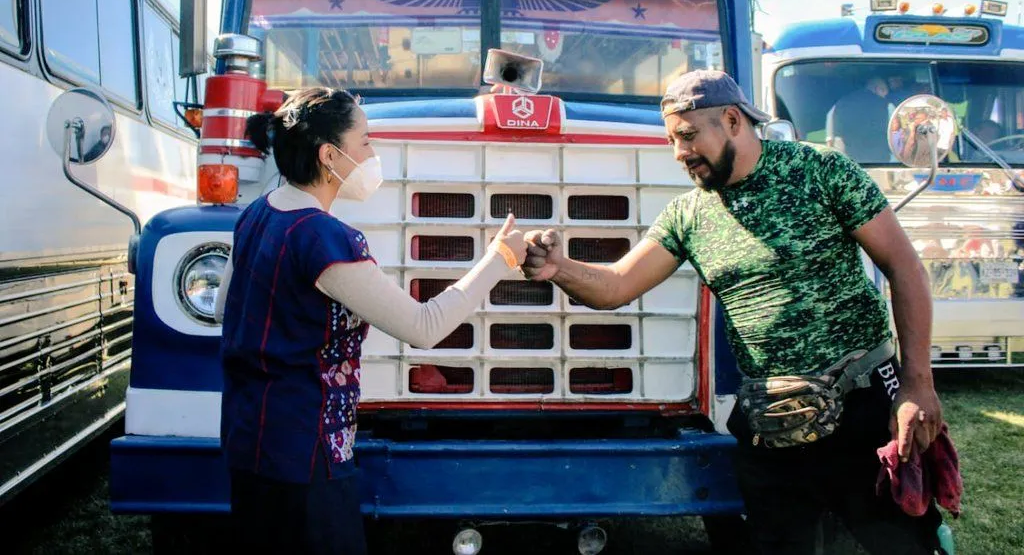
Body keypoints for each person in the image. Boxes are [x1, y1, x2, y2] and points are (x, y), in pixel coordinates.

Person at [522, 70, 947, 554]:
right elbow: (616, 286)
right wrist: (558, 266)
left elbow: (905, 268)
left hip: (863, 408)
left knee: (902, 545)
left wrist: (917, 384)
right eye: (671, 140)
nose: (679, 152)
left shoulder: (823, 172)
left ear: (732, 120)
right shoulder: (688, 215)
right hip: (772, 423)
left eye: (687, 135)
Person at [214, 87, 528, 555]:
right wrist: (500, 259)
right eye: (364, 142)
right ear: (329, 155)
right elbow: (424, 326)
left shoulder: (256, 216)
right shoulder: (325, 238)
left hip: (246, 440)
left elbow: (224, 309)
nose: (373, 154)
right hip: (305, 456)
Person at [827, 76, 893, 163]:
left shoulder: (838, 105)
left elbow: (832, 141)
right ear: (877, 89)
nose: (885, 95)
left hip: (851, 167)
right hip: (883, 164)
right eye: (884, 91)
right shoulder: (888, 106)